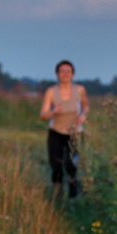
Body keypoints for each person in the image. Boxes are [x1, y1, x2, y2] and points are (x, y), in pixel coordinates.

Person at [39, 59, 89, 199]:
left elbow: (86, 107)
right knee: (56, 165)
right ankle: (57, 195)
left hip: (74, 133)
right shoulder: (51, 92)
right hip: (56, 132)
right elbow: (43, 115)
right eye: (62, 71)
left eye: (68, 71)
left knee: (71, 164)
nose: (65, 74)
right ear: (57, 74)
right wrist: (53, 112)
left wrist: (83, 116)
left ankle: (74, 193)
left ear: (73, 74)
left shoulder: (80, 90)